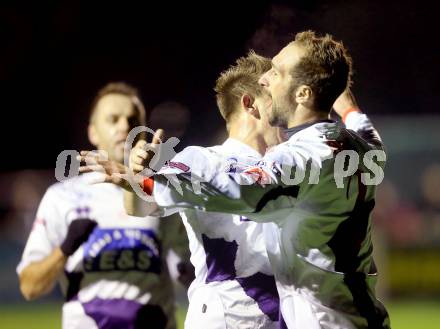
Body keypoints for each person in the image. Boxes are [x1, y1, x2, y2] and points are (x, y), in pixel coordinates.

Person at [126, 31, 390, 328]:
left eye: (276, 74)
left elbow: (247, 190)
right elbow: (373, 142)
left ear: (302, 93)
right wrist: (348, 108)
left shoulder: (297, 157)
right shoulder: (358, 147)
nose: (268, 80)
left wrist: (148, 181)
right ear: (250, 104)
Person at [81, 53, 285, 329]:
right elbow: (140, 206)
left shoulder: (287, 164)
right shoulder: (203, 161)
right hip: (226, 321)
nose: (285, 108)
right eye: (275, 97)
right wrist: (135, 174)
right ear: (250, 104)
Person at [17, 82, 190, 329]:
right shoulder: (62, 197)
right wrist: (64, 249)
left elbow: (196, 273)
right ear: (93, 133)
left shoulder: (165, 193)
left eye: (132, 120)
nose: (124, 126)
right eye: (113, 119)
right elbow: (29, 287)